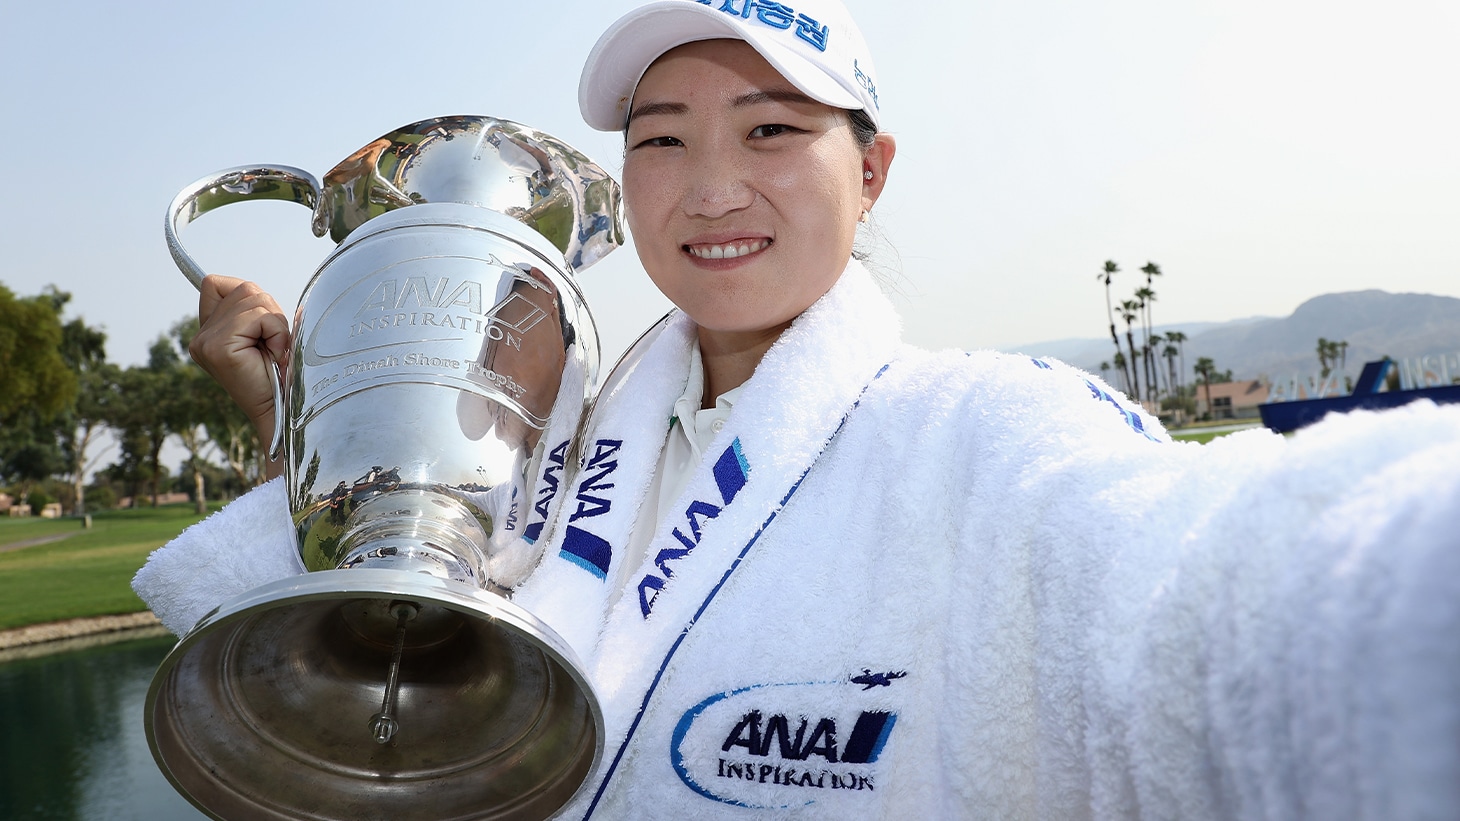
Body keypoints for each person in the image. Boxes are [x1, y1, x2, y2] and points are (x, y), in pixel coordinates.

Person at [136, 0, 1460, 818]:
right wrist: (296, 424)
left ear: (870, 169)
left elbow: (1217, 594)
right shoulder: (556, 455)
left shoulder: (991, 439)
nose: (708, 188)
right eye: (661, 138)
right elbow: (384, 705)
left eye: (771, 131)